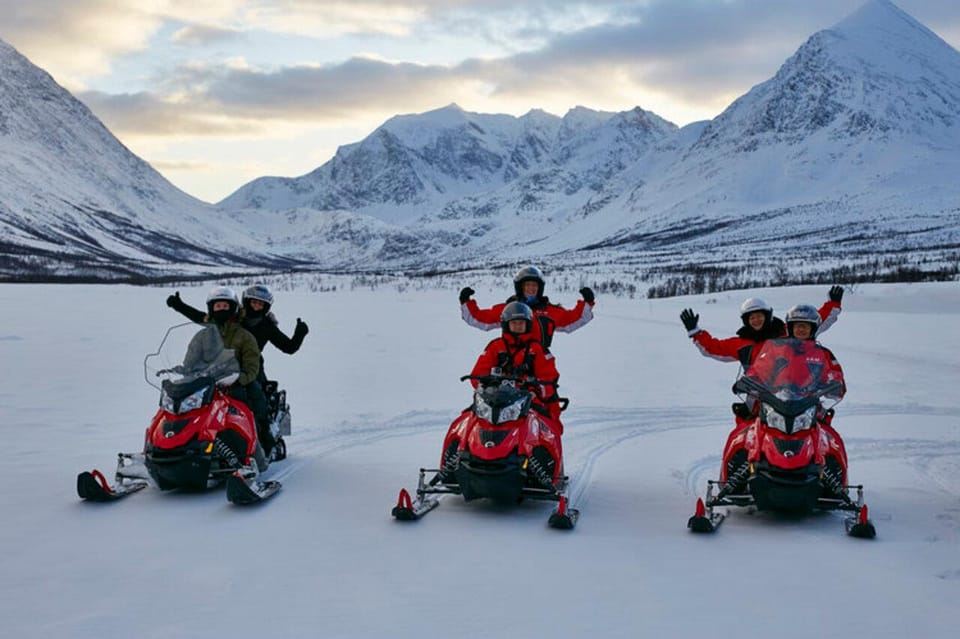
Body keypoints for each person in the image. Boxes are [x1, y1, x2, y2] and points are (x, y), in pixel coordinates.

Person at [167, 284, 308, 383]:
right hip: (222, 363)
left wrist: (299, 334)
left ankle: (264, 424)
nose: (256, 306)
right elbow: (203, 318)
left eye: (261, 304)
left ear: (266, 307)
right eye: (254, 302)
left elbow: (288, 347)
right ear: (247, 301)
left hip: (251, 365)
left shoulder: (267, 326)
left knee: (257, 393)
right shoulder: (232, 316)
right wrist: (179, 306)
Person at [679, 286, 844, 366]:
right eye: (752, 318)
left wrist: (832, 305)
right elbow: (714, 348)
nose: (756, 320)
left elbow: (814, 322)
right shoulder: (741, 344)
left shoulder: (786, 332)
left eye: (759, 316)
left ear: (767, 316)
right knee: (743, 428)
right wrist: (696, 332)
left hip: (796, 391)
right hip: (759, 398)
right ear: (746, 321)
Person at [201, 286, 274, 455]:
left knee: (255, 398)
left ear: (233, 309)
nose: (221, 310)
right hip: (211, 377)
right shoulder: (207, 333)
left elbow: (252, 362)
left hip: (239, 377)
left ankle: (263, 437)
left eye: (225, 307)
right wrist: (184, 370)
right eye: (218, 307)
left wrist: (243, 377)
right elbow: (193, 356)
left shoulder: (244, 334)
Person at [460, 266, 594, 351]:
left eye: (534, 285)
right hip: (511, 359)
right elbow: (482, 319)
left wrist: (586, 303)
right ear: (520, 287)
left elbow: (571, 320)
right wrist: (466, 303)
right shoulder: (509, 309)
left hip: (539, 361)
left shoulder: (549, 311)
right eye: (527, 285)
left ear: (539, 288)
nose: (531, 289)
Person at [470, 302, 562, 422]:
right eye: (514, 323)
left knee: (545, 424)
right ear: (506, 324)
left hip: (529, 400)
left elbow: (549, 377)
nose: (518, 326)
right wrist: (487, 384)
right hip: (496, 398)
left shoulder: (537, 349)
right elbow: (478, 373)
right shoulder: (496, 346)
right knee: (467, 420)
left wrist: (536, 390)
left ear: (527, 324)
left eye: (521, 323)